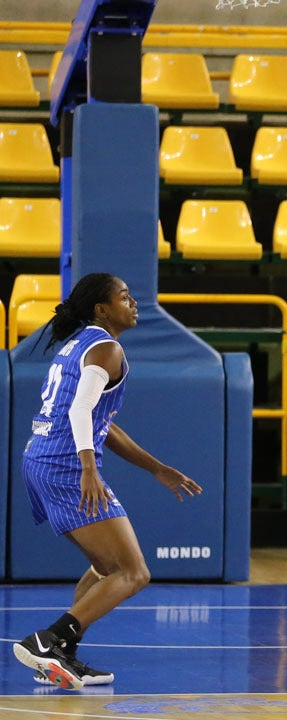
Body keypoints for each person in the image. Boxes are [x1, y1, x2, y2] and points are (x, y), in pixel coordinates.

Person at [12, 273, 203, 690]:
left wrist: (156, 467)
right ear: (102, 309)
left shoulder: (79, 344)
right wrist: (88, 468)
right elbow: (80, 411)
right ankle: (49, 641)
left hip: (41, 458)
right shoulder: (106, 348)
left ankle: (62, 654)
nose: (133, 303)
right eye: (124, 297)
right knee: (134, 572)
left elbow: (103, 423)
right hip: (64, 464)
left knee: (105, 568)